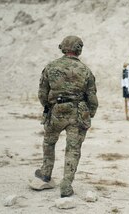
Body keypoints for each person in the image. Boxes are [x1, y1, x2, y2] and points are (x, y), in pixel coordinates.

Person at [35, 35, 98, 197]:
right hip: (78, 112)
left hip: (56, 111)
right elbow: (92, 99)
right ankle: (66, 184)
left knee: (49, 142)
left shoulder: (50, 67)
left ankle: (45, 173)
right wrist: (89, 114)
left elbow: (42, 94)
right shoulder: (86, 71)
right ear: (79, 49)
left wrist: (49, 108)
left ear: (63, 48)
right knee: (73, 149)